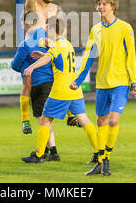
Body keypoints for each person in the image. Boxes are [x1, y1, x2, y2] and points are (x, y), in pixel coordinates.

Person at [70, 0, 136, 176]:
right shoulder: (96, 30)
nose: (100, 7)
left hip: (121, 82)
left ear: (113, 7)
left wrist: (134, 81)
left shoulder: (125, 28)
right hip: (102, 83)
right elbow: (88, 57)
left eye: (104, 4)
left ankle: (106, 158)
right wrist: (78, 80)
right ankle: (100, 162)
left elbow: (131, 55)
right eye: (99, 4)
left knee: (114, 120)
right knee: (101, 121)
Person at [21, 16, 98, 164]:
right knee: (84, 119)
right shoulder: (67, 44)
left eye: (46, 27)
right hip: (75, 88)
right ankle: (98, 151)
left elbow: (49, 59)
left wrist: (31, 67)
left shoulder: (55, 47)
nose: (44, 30)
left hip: (61, 90)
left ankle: (38, 155)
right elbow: (58, 58)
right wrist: (45, 54)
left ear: (51, 29)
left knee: (45, 119)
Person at [24, 0, 80, 128]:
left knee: (63, 80)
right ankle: (25, 120)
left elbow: (60, 30)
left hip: (53, 51)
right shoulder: (33, 6)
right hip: (36, 51)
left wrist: (59, 44)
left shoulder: (56, 8)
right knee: (29, 85)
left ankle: (71, 115)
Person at [11, 12, 60, 161]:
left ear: (25, 24)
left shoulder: (26, 44)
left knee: (42, 119)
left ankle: (46, 152)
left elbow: (14, 65)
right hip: (52, 82)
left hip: (38, 84)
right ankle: (51, 151)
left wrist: (25, 65)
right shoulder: (49, 39)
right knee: (47, 119)